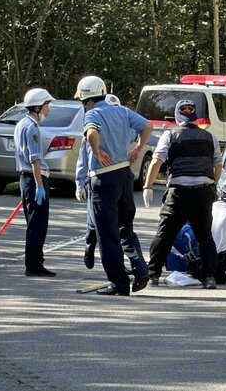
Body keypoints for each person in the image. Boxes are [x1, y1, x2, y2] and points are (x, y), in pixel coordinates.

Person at [75, 76, 153, 295]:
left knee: (107, 235)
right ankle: (141, 269)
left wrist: (98, 151)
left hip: (104, 177)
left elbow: (91, 133)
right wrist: (139, 148)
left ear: (86, 99)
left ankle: (119, 283)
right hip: (124, 175)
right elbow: (148, 125)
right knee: (125, 228)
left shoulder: (92, 114)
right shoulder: (122, 111)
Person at [143, 99, 222, 289]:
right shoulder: (209, 137)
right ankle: (210, 276)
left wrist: (148, 186)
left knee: (165, 234)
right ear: (194, 117)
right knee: (205, 237)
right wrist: (212, 186)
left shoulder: (170, 135)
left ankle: (153, 273)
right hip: (203, 193)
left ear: (178, 117)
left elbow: (156, 162)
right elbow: (217, 165)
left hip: (178, 193)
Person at [14, 88, 56, 274]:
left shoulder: (22, 123)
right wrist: (39, 185)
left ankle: (35, 260)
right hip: (34, 179)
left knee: (34, 222)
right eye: (47, 105)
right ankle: (33, 264)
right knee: (37, 225)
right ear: (38, 107)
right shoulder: (32, 127)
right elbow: (34, 159)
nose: (49, 110)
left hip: (28, 178)